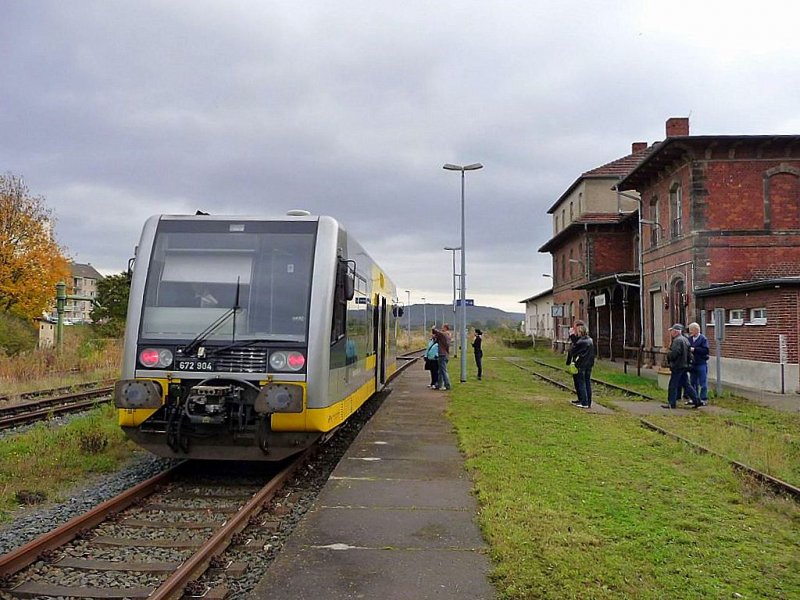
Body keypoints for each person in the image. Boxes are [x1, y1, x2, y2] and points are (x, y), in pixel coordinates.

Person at [663, 323, 700, 409]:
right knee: (686, 384)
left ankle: (671, 403)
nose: (671, 333)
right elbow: (689, 354)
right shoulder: (685, 340)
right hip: (684, 365)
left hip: (677, 366)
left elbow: (675, 353)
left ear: (676, 332)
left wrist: (669, 355)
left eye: (672, 331)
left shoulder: (677, 341)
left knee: (673, 385)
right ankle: (696, 400)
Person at [570, 322, 595, 409]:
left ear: (580, 332)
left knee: (581, 383)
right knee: (587, 383)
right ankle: (588, 402)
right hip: (589, 364)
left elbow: (573, 350)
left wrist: (572, 336)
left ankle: (584, 402)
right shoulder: (590, 340)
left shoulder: (581, 342)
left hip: (581, 364)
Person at [687, 322, 710, 405]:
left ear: (696, 330)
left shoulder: (703, 339)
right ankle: (694, 398)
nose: (690, 332)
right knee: (693, 382)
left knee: (703, 382)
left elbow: (706, 350)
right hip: (693, 364)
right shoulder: (689, 339)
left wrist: (695, 349)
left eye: (691, 330)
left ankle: (703, 399)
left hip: (701, 363)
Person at [565, 320, 584, 404]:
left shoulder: (582, 337)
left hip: (580, 362)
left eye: (575, 327)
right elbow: (572, 349)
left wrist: (572, 335)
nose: (573, 329)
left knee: (580, 382)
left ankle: (583, 400)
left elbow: (576, 343)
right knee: (576, 382)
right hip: (574, 362)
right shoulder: (576, 336)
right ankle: (580, 398)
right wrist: (568, 361)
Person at [432, 324, 452, 390]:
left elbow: (439, 333)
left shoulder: (445, 334)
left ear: (446, 328)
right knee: (440, 371)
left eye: (443, 327)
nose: (442, 329)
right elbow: (437, 340)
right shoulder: (448, 335)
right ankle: (439, 385)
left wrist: (433, 329)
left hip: (442, 354)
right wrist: (435, 337)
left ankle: (447, 385)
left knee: (443, 371)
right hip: (445, 354)